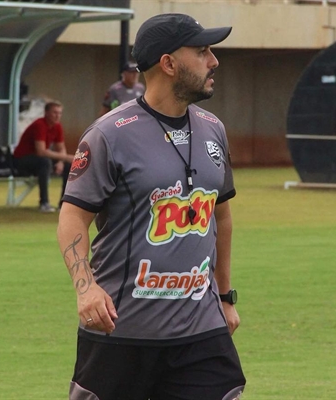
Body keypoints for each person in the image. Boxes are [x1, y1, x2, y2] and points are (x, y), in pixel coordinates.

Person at [57, 13, 246, 400]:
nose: (214, 61)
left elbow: (220, 216)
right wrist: (86, 288)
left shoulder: (214, 129)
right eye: (203, 51)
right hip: (123, 331)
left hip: (201, 330)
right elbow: (73, 215)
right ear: (169, 63)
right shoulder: (109, 135)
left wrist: (224, 298)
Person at [13, 100, 74, 212]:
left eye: (60, 113)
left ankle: (64, 204)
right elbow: (41, 151)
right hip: (21, 160)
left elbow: (61, 148)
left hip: (38, 160)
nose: (57, 116)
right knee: (45, 162)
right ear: (46, 113)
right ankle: (44, 203)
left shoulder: (57, 126)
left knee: (68, 165)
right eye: (54, 112)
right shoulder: (39, 125)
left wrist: (61, 161)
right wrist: (65, 157)